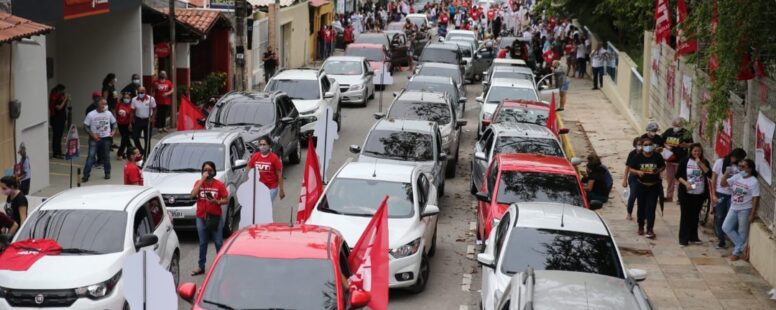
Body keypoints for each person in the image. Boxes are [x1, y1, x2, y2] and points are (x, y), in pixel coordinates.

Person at [190, 161, 228, 276]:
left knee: (218, 242)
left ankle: (221, 266)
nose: (207, 172)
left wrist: (216, 201)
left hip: (215, 217)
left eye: (210, 170)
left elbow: (226, 199)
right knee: (203, 243)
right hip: (201, 217)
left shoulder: (219, 185)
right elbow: (193, 194)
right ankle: (201, 266)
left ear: (214, 171)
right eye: (205, 170)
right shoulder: (198, 183)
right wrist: (202, 180)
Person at [721, 158, 759, 261]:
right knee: (726, 227)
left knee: (742, 231)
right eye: (739, 166)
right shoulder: (737, 176)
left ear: (749, 169)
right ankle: (743, 247)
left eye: (743, 167)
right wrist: (726, 173)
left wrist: (752, 213)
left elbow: (755, 198)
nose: (740, 169)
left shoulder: (754, 182)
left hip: (745, 209)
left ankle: (736, 252)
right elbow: (723, 184)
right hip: (734, 207)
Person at [628, 137, 665, 239]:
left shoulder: (657, 156)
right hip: (641, 185)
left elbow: (663, 166)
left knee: (651, 207)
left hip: (654, 185)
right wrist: (638, 172)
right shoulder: (637, 157)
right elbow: (631, 169)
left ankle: (650, 228)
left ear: (653, 146)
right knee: (641, 207)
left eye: (650, 144)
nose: (648, 147)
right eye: (645, 145)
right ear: (642, 146)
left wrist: (658, 170)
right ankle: (641, 226)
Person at [710, 148, 747, 249]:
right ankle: (721, 240)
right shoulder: (719, 162)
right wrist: (713, 194)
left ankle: (733, 240)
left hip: (733, 195)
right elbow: (713, 179)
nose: (738, 160)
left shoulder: (739, 167)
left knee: (731, 218)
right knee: (719, 216)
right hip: (720, 193)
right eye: (739, 158)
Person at [675, 143, 711, 246]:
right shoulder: (684, 161)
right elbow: (677, 175)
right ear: (691, 151)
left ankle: (693, 237)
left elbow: (709, 174)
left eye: (698, 151)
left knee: (695, 216)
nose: (697, 153)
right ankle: (683, 239)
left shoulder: (704, 162)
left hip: (699, 193)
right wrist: (686, 184)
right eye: (695, 151)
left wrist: (700, 163)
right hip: (686, 193)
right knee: (686, 216)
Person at [82, 98, 117, 182]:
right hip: (94, 139)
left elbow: (114, 123)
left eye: (106, 104)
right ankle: (86, 175)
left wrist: (113, 131)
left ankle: (107, 173)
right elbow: (85, 126)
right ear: (98, 105)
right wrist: (92, 134)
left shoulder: (108, 113)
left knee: (106, 157)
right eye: (103, 104)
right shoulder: (91, 114)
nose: (105, 106)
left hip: (106, 138)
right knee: (91, 157)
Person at [662, 117, 693, 202]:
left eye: (678, 125)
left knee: (679, 180)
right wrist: (666, 146)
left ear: (681, 125)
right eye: (675, 125)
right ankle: (669, 196)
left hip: (680, 160)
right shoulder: (669, 131)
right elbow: (662, 140)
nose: (676, 127)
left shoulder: (686, 133)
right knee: (670, 179)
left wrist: (685, 145)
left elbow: (691, 144)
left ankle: (680, 198)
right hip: (670, 159)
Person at [248, 136, 286, 201]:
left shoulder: (274, 158)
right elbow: (250, 170)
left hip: (271, 188)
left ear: (269, 146)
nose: (262, 146)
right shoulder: (255, 156)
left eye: (264, 144)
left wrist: (281, 190)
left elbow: (279, 175)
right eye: (260, 144)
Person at [131, 86, 156, 157]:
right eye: (138, 92)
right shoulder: (134, 100)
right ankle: (141, 151)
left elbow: (155, 109)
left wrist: (152, 118)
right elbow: (132, 111)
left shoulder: (151, 99)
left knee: (147, 138)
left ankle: (146, 154)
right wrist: (131, 122)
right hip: (138, 120)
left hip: (147, 120)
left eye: (142, 92)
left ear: (145, 92)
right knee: (135, 136)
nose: (140, 94)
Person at [623, 137, 643, 221]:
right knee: (633, 195)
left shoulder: (646, 153)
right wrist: (624, 179)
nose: (641, 146)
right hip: (634, 178)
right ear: (635, 145)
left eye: (642, 144)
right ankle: (629, 213)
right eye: (639, 144)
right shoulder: (632, 154)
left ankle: (642, 214)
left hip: (644, 178)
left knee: (642, 197)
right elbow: (627, 167)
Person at [49, 84, 69, 159]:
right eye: (62, 91)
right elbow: (59, 108)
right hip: (56, 119)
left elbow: (64, 107)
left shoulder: (60, 97)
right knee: (56, 136)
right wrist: (64, 99)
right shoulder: (54, 97)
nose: (63, 92)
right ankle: (55, 153)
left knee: (60, 136)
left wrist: (66, 100)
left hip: (61, 118)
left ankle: (59, 152)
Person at [115, 92, 134, 159]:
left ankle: (119, 153)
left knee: (124, 139)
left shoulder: (131, 105)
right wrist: (116, 123)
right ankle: (132, 151)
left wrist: (130, 124)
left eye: (128, 98)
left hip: (127, 124)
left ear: (130, 98)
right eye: (125, 98)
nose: (126, 99)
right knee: (126, 139)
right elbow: (116, 113)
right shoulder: (119, 104)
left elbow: (131, 115)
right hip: (120, 124)